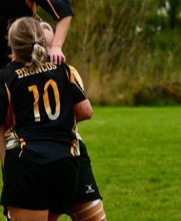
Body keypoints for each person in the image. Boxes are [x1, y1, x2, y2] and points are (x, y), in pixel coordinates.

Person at [0, 17, 91, 221]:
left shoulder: (4, 78)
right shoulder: (63, 70)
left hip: (29, 165)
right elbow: (86, 111)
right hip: (66, 165)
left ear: (10, 43)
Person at [39, 22, 106, 221]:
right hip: (49, 156)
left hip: (63, 153)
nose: (43, 24)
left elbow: (85, 111)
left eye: (47, 25)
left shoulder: (66, 71)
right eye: (39, 25)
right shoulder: (17, 74)